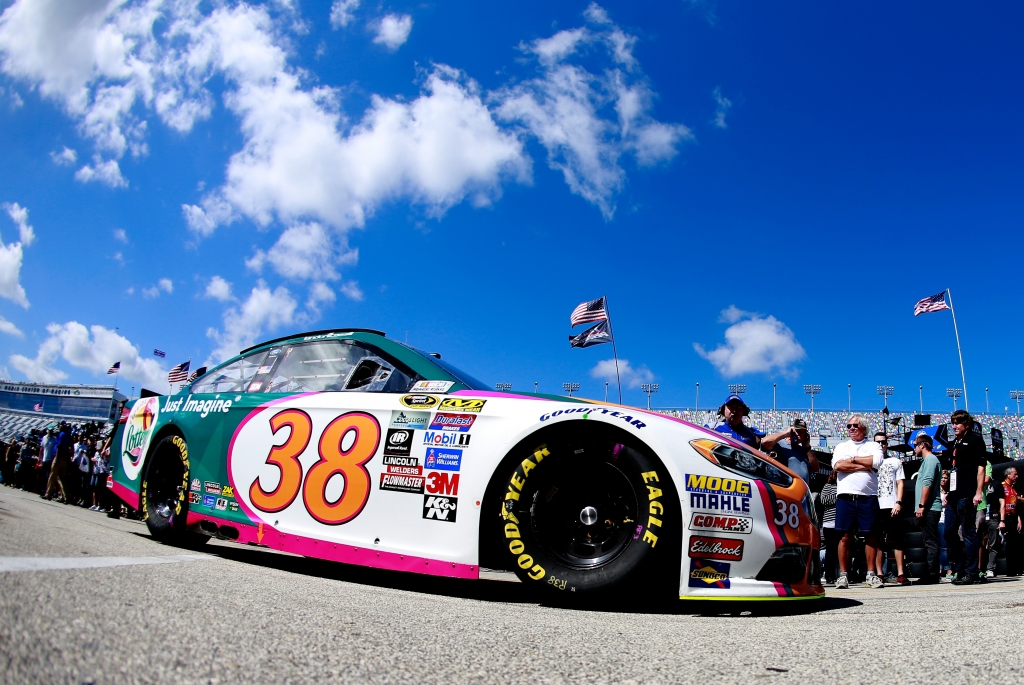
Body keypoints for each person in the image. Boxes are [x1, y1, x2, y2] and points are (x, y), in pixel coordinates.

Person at [832, 415, 885, 589]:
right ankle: (843, 575)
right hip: (846, 496)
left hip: (867, 496)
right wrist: (864, 464)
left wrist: (852, 460)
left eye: (855, 425)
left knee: (870, 535)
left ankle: (871, 574)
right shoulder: (842, 446)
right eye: (849, 425)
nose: (851, 428)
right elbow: (837, 466)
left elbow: (876, 461)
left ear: (863, 427)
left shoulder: (873, 445)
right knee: (845, 536)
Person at [945, 410, 987, 586]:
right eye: (953, 422)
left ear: (966, 425)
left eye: (958, 423)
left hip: (967, 493)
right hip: (953, 494)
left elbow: (981, 468)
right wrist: (946, 488)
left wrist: (978, 492)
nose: (954, 426)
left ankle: (972, 571)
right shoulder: (954, 442)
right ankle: (960, 568)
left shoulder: (976, 440)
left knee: (968, 532)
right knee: (948, 533)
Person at [874, 431, 907, 584]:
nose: (881, 445)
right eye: (878, 442)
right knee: (878, 541)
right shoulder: (871, 463)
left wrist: (898, 502)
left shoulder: (895, 461)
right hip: (876, 506)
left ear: (887, 444)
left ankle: (901, 573)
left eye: (883, 442)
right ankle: (879, 574)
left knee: (897, 540)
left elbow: (900, 483)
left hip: (892, 505)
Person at [913, 434, 943, 583]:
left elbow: (928, 483)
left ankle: (932, 574)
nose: (914, 449)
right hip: (928, 507)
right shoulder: (927, 461)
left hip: (930, 508)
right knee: (928, 540)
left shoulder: (931, 460)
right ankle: (930, 573)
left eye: (915, 445)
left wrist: (922, 506)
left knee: (930, 541)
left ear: (922, 445)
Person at [711, 394, 791, 451]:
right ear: (723, 410)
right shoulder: (711, 428)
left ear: (743, 412)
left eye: (738, 408)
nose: (734, 411)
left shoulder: (751, 434)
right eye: (731, 408)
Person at [771, 418, 820, 484]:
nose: (800, 435)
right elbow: (765, 442)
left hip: (803, 490)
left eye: (803, 433)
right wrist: (785, 434)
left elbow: (816, 469)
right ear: (792, 431)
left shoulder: (805, 450)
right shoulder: (780, 444)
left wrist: (807, 448)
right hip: (786, 488)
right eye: (799, 431)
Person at [997, 467, 1022, 576]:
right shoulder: (1002, 487)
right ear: (1008, 475)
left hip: (1013, 518)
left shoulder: (1013, 489)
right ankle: (1010, 569)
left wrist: (1019, 519)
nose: (1017, 476)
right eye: (1014, 474)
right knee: (1008, 544)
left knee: (1015, 544)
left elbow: (1015, 506)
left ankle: (1016, 568)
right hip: (1004, 518)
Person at [819, 470, 840, 584]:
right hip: (830, 523)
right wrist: (838, 495)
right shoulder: (828, 486)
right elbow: (824, 500)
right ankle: (829, 575)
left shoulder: (846, 486)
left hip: (842, 522)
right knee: (831, 551)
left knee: (842, 550)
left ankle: (843, 574)